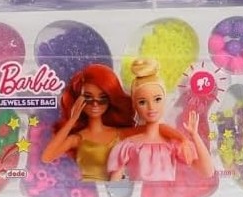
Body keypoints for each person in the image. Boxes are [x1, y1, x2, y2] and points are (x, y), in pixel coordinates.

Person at [41, 63, 183, 182]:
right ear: (79, 100)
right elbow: (47, 157)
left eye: (102, 98)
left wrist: (183, 140)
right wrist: (72, 120)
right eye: (88, 98)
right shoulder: (77, 139)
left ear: (110, 99)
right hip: (90, 191)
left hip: (114, 188)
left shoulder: (119, 134)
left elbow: (157, 128)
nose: (95, 104)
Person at [107, 59, 215, 182]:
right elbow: (114, 185)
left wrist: (194, 135)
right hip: (138, 194)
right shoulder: (127, 146)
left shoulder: (174, 145)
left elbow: (207, 171)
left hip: (169, 194)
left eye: (157, 99)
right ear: (134, 105)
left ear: (164, 100)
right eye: (142, 102)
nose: (151, 107)